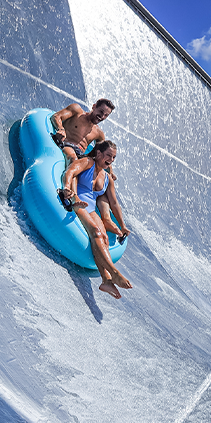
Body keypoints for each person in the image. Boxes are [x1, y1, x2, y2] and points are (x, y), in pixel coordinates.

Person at [61, 140, 133, 299]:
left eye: (114, 158)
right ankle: (114, 273)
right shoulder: (88, 162)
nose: (111, 160)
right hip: (78, 203)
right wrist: (67, 187)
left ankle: (106, 280)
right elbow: (70, 171)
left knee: (104, 238)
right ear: (99, 153)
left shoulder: (107, 178)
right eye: (109, 156)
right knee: (95, 232)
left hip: (91, 208)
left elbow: (114, 203)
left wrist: (122, 225)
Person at [51, 99, 122, 237]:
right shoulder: (77, 111)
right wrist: (60, 128)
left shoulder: (99, 133)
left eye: (106, 115)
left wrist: (110, 171)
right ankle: (69, 194)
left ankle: (106, 219)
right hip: (67, 145)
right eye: (101, 112)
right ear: (94, 106)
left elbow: (102, 152)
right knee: (74, 159)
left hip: (81, 154)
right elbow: (56, 116)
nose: (102, 117)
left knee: (103, 183)